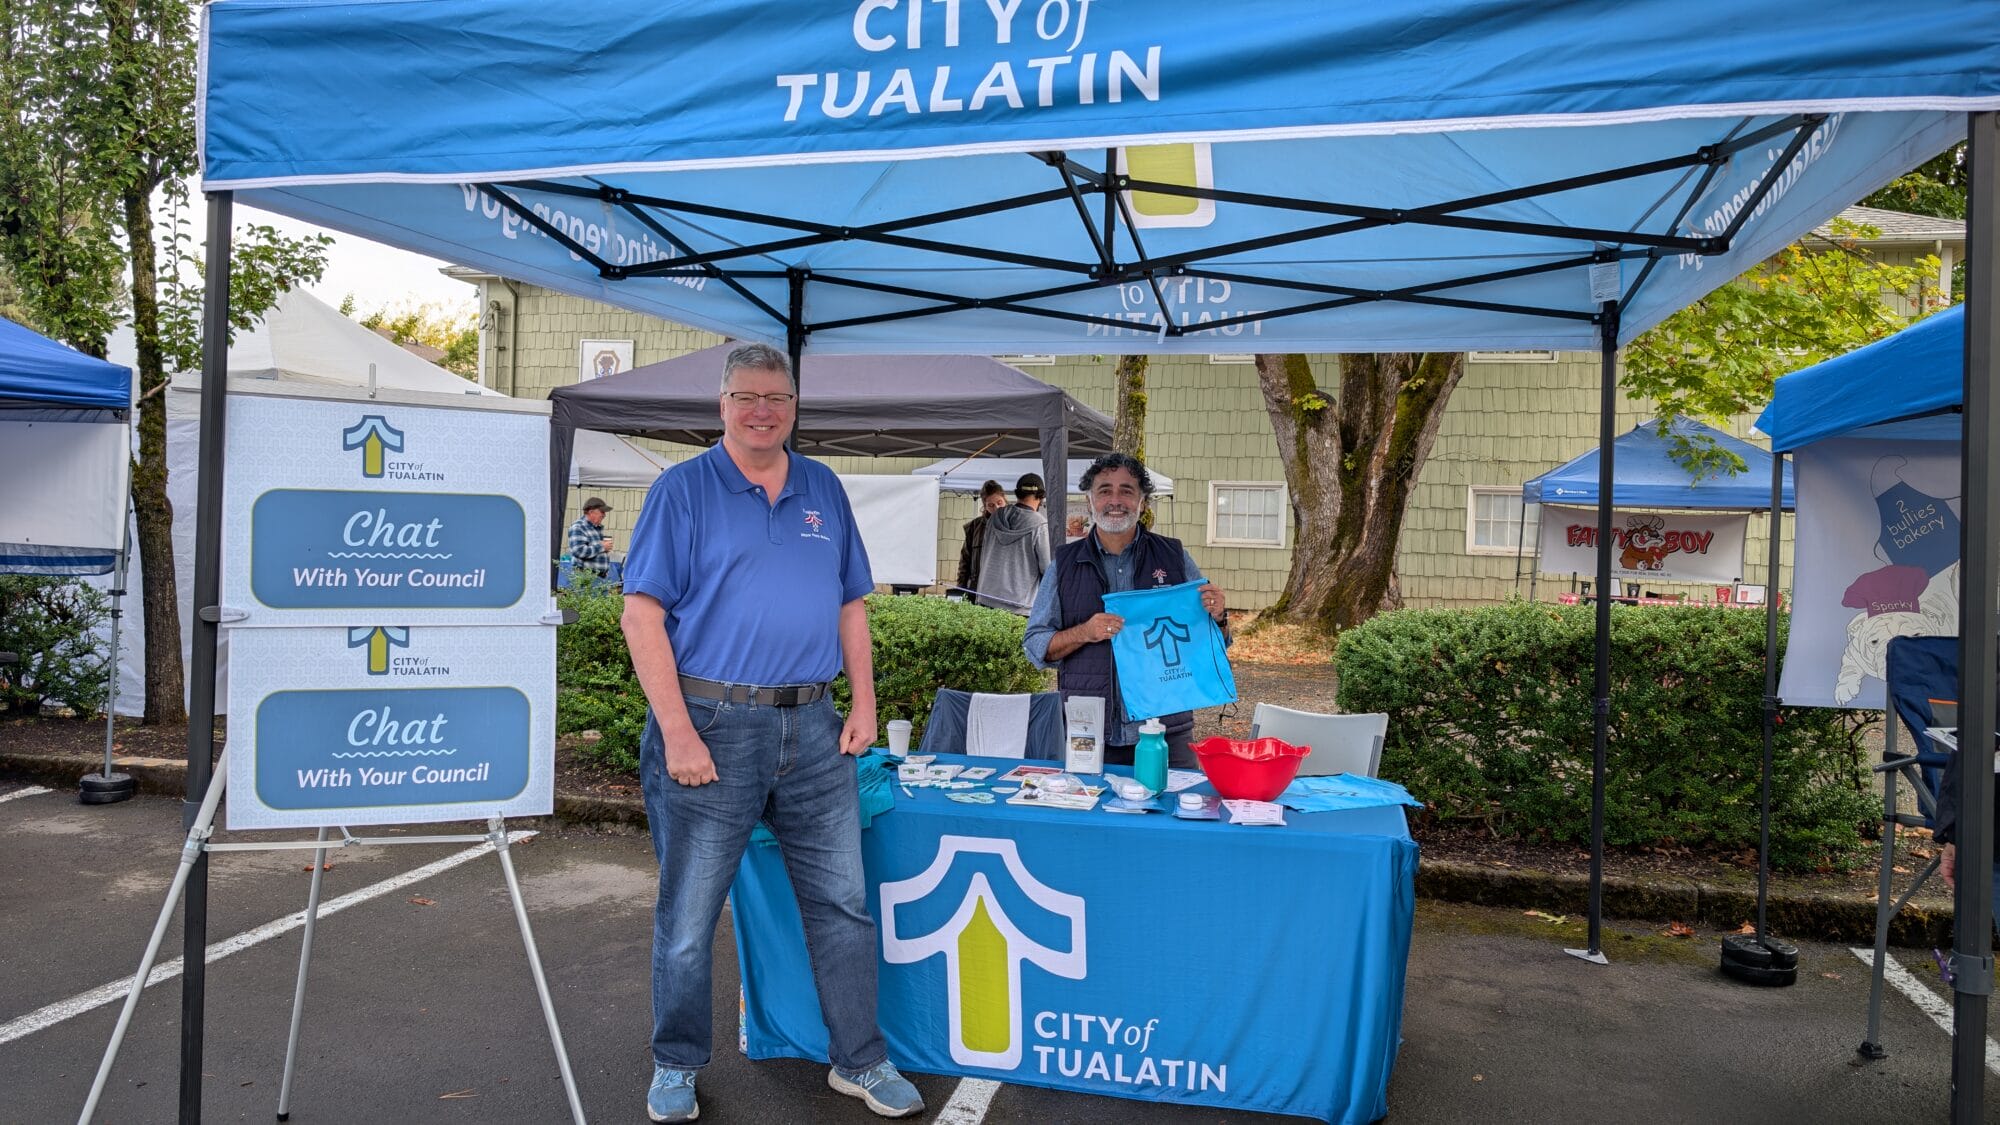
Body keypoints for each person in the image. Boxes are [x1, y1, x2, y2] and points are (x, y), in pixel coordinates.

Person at [619, 342, 923, 1122]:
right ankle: (676, 1063)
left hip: (815, 727)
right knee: (688, 917)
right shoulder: (682, 491)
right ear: (721, 405)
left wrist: (863, 702)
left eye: (777, 398)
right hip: (712, 725)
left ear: (794, 406)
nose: (763, 410)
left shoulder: (822, 485)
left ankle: (860, 1060)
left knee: (844, 905)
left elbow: (853, 604)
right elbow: (641, 615)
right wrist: (678, 732)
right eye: (747, 396)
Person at [1022, 452, 1227, 768]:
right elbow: (1036, 646)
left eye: (1127, 491)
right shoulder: (1063, 565)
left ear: (1142, 502)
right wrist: (1084, 633)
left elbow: (1213, 643)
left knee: (1174, 813)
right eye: (1105, 490)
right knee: (1091, 815)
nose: (1115, 500)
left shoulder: (1173, 557)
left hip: (1166, 731)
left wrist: (1218, 617)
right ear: (1091, 501)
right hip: (1090, 732)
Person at [975, 472, 1050, 614]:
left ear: (1017, 494)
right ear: (1040, 497)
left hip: (986, 599)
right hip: (1018, 606)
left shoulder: (995, 517)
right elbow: (1048, 570)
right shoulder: (1040, 525)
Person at [954, 479, 1007, 594]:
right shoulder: (974, 527)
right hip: (978, 589)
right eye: (991, 505)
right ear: (985, 506)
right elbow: (965, 562)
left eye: (999, 503)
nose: (997, 508)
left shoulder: (1015, 524)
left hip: (1005, 590)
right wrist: (960, 590)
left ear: (1005, 500)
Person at [566, 496, 614, 577]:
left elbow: (594, 550)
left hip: (598, 577)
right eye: (602, 511)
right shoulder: (578, 527)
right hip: (586, 577)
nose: (604, 515)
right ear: (591, 512)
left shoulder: (595, 528)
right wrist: (602, 547)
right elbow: (579, 551)